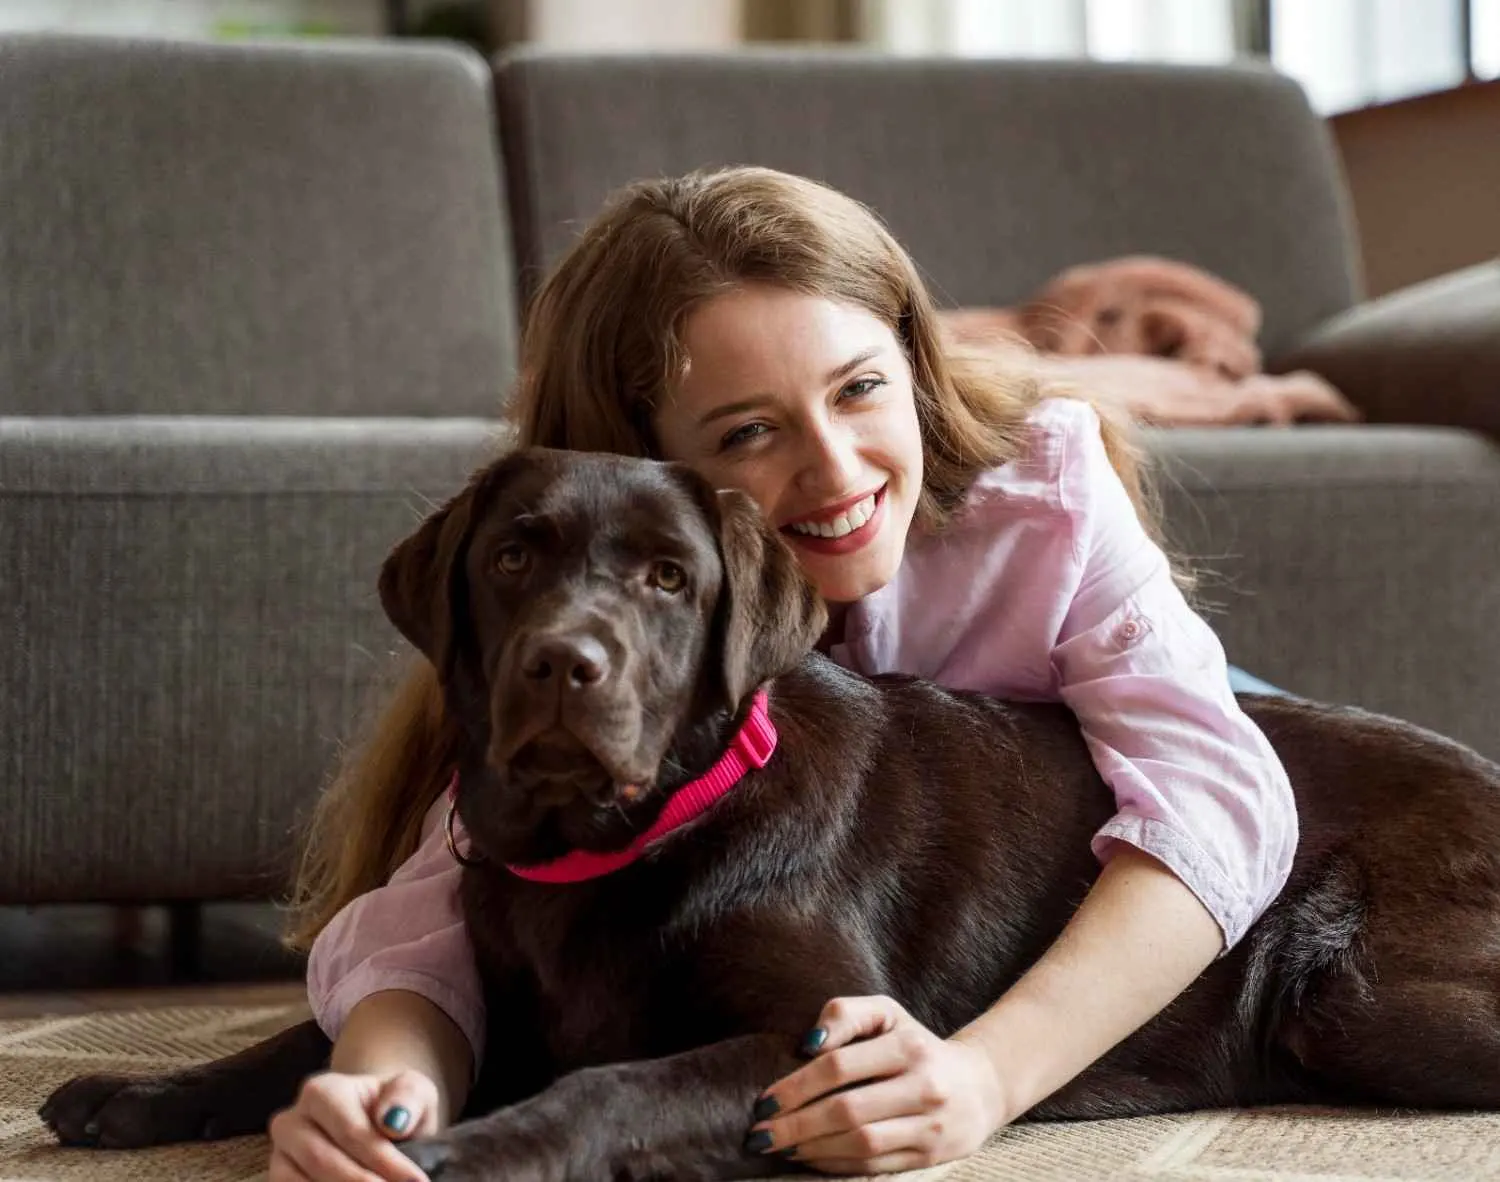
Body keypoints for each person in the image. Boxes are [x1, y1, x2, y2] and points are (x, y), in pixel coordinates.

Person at [267, 166, 1296, 1182]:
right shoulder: (608, 615)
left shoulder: (1040, 495)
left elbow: (1217, 804)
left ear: (911, 361)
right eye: (749, 432)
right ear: (639, 468)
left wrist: (987, 1078)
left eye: (859, 388)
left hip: (1138, 734)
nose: (837, 470)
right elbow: (440, 907)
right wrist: (379, 1099)